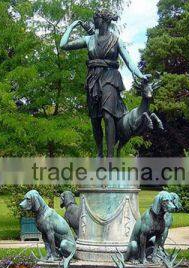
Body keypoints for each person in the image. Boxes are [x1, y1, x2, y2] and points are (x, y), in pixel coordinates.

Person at [60, 9, 150, 158]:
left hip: (110, 77)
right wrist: (72, 26)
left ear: (103, 21)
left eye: (96, 18)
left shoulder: (116, 40)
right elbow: (64, 45)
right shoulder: (89, 39)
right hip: (93, 80)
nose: (93, 20)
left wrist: (140, 74)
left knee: (108, 116)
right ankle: (100, 152)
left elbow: (129, 61)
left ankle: (110, 157)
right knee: (95, 120)